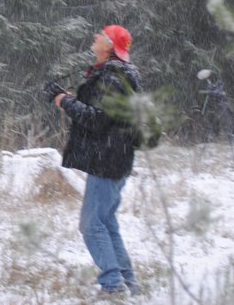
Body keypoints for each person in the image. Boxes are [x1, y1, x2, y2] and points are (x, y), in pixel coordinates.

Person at [48, 24, 143, 299]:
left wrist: (64, 101)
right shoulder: (117, 75)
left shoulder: (112, 78)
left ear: (110, 45)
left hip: (108, 160)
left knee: (91, 225)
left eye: (100, 35)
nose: (95, 37)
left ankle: (113, 286)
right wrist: (68, 98)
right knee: (106, 222)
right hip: (116, 158)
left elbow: (97, 119)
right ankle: (128, 282)